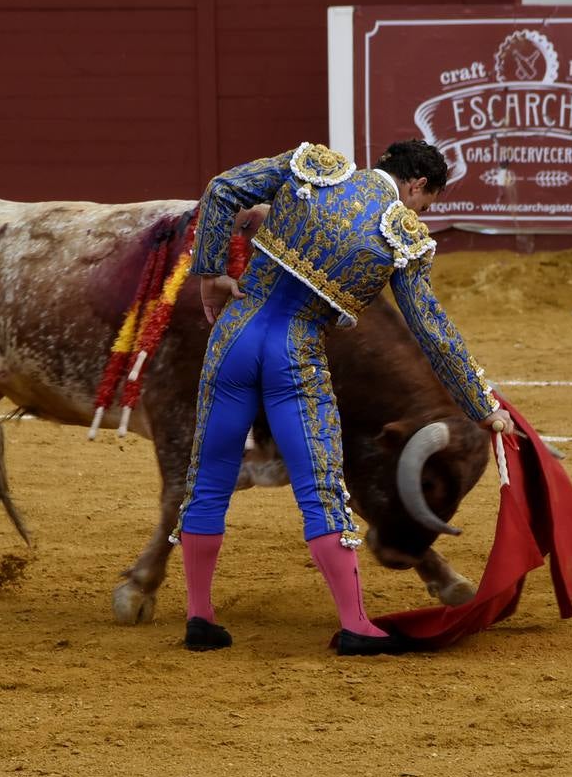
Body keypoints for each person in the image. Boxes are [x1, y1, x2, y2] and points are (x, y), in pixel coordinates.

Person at [169, 141, 514, 656]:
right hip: (295, 353)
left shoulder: (316, 170)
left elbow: (221, 190)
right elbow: (433, 334)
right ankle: (356, 623)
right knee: (320, 487)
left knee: (210, 474)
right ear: (417, 184)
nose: (419, 213)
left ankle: (200, 618)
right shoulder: (402, 237)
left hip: (234, 337)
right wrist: (480, 404)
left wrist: (212, 274)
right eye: (426, 202)